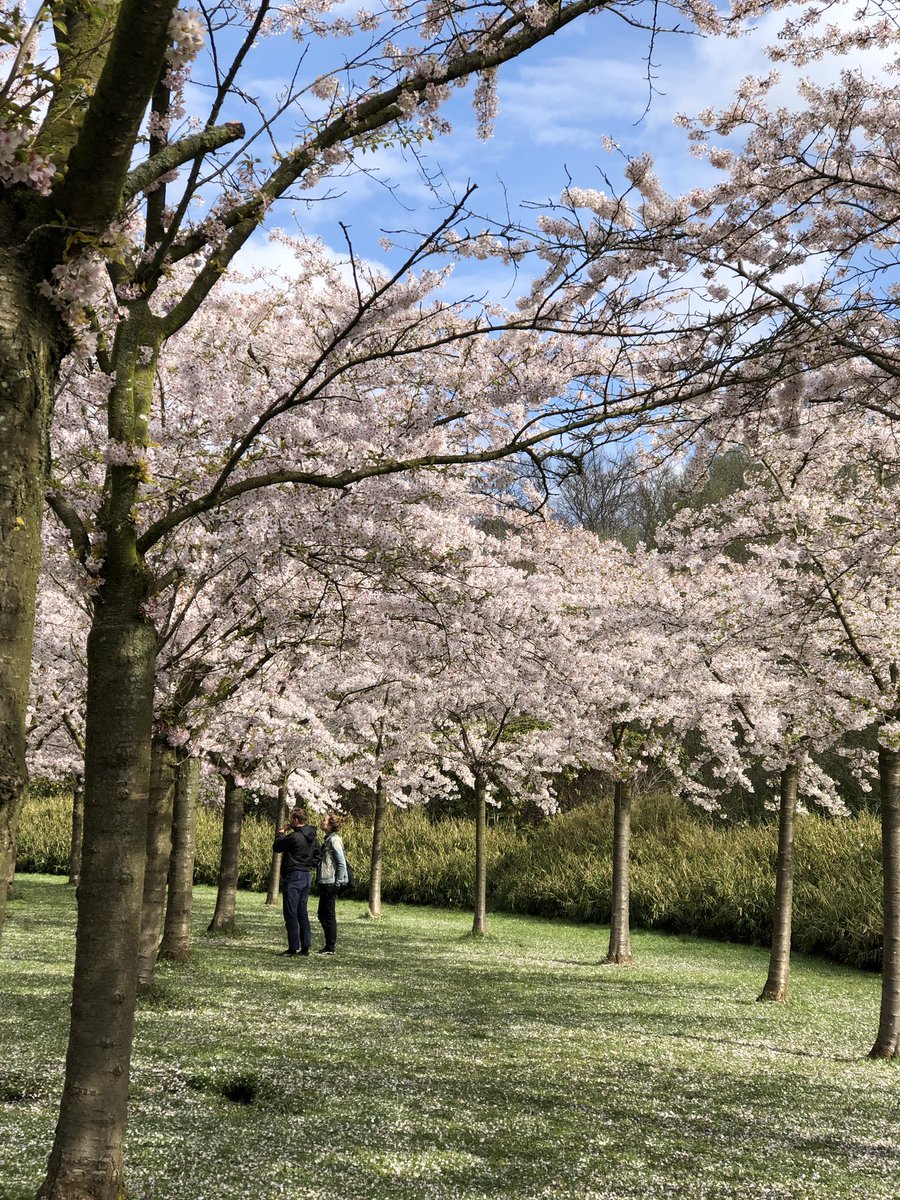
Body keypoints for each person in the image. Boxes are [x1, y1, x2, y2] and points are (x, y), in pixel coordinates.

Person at [273, 806, 319, 957]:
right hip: (306, 875)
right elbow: (318, 855)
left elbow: (277, 847)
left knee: (291, 912)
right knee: (302, 912)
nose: (289, 820)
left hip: (294, 876)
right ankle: (305, 946)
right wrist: (309, 864)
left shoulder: (294, 837)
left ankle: (293, 947)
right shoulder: (312, 837)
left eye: (291, 818)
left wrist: (281, 832)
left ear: (296, 820)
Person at [316, 812, 348, 955]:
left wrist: (338, 882)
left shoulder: (334, 840)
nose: (322, 822)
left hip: (331, 882)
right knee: (321, 914)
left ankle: (330, 946)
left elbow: (341, 863)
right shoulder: (327, 839)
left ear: (330, 824)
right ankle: (328, 944)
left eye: (324, 820)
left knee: (328, 914)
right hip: (325, 881)